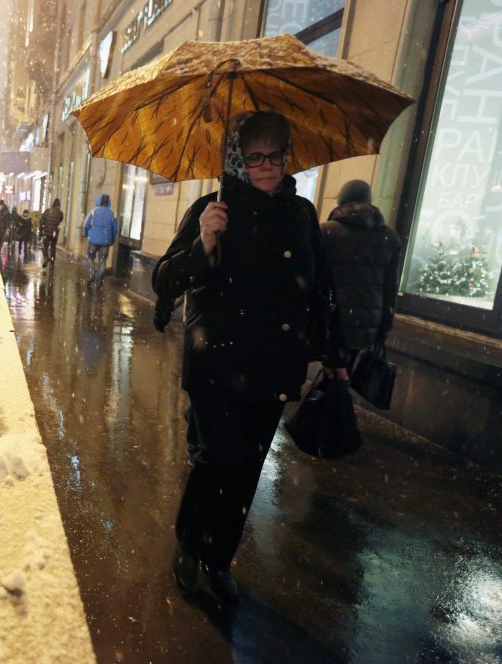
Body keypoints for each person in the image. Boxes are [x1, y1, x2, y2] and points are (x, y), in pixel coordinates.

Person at [152, 111, 348, 603]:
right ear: (237, 159)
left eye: (274, 155)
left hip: (274, 366)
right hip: (216, 364)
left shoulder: (302, 215)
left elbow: (322, 290)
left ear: (286, 157)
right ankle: (190, 546)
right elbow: (165, 280)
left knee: (247, 471)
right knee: (218, 461)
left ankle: (218, 560)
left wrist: (334, 354)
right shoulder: (211, 207)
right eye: (254, 156)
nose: (265, 165)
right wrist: (206, 241)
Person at [320, 180, 402, 367]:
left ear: (341, 201)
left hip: (332, 324)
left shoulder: (326, 231)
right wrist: (383, 330)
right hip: (368, 326)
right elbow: (390, 291)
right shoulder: (389, 237)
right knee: (350, 379)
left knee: (329, 379)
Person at [82, 194, 118, 288]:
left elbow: (86, 225)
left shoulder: (93, 212)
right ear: (108, 202)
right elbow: (115, 229)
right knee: (102, 260)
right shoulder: (112, 213)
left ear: (99, 201)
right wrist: (112, 240)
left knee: (90, 257)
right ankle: (98, 279)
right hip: (106, 241)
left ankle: (92, 272)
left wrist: (86, 234)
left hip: (93, 239)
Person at [41, 198, 64, 269]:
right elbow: (60, 221)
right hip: (54, 234)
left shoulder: (47, 211)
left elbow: (42, 221)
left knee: (44, 246)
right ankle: (52, 263)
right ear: (59, 205)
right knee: (53, 247)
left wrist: (41, 231)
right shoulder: (60, 213)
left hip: (46, 232)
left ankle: (45, 257)